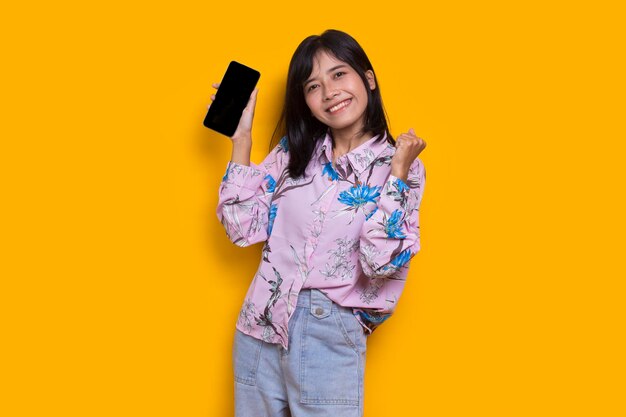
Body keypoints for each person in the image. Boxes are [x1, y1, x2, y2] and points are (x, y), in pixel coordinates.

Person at [210, 29, 426, 417]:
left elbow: (380, 263)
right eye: (313, 85)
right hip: (258, 328)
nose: (329, 92)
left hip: (328, 333)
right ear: (306, 102)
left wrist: (396, 175)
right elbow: (241, 228)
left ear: (369, 79)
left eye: (339, 74)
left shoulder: (402, 167)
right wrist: (240, 139)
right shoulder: (296, 153)